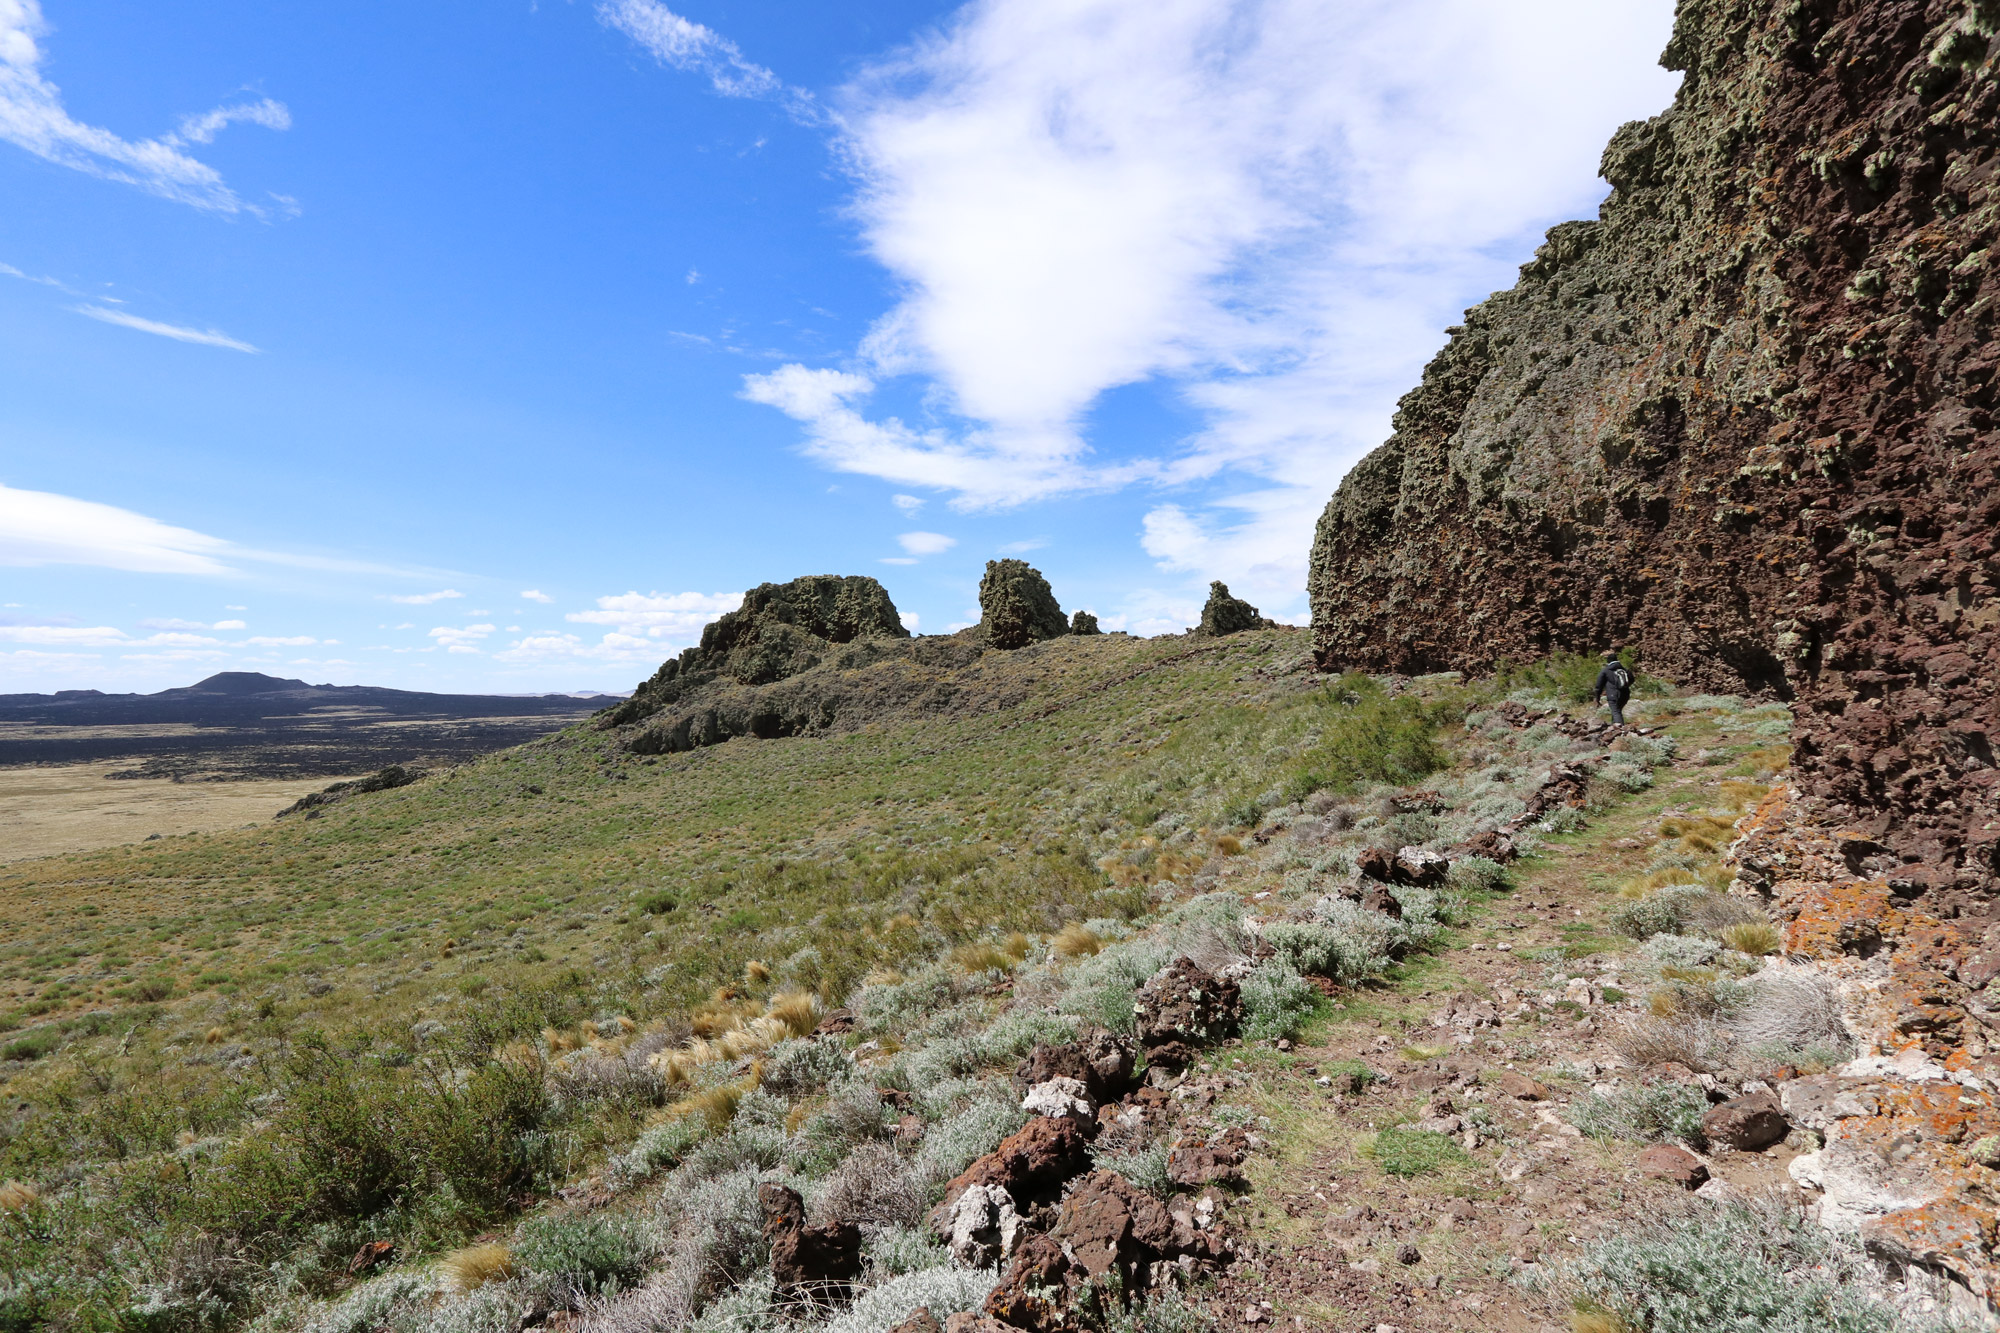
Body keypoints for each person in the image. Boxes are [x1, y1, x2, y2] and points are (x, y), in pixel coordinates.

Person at [1593, 650, 1635, 726]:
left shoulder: (1606, 671)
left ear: (1608, 661)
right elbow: (1632, 679)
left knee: (1616, 712)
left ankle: (1620, 731)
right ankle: (1615, 729)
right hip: (1625, 694)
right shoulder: (1624, 669)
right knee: (1617, 711)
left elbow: (1598, 686)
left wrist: (1597, 697)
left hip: (1613, 695)